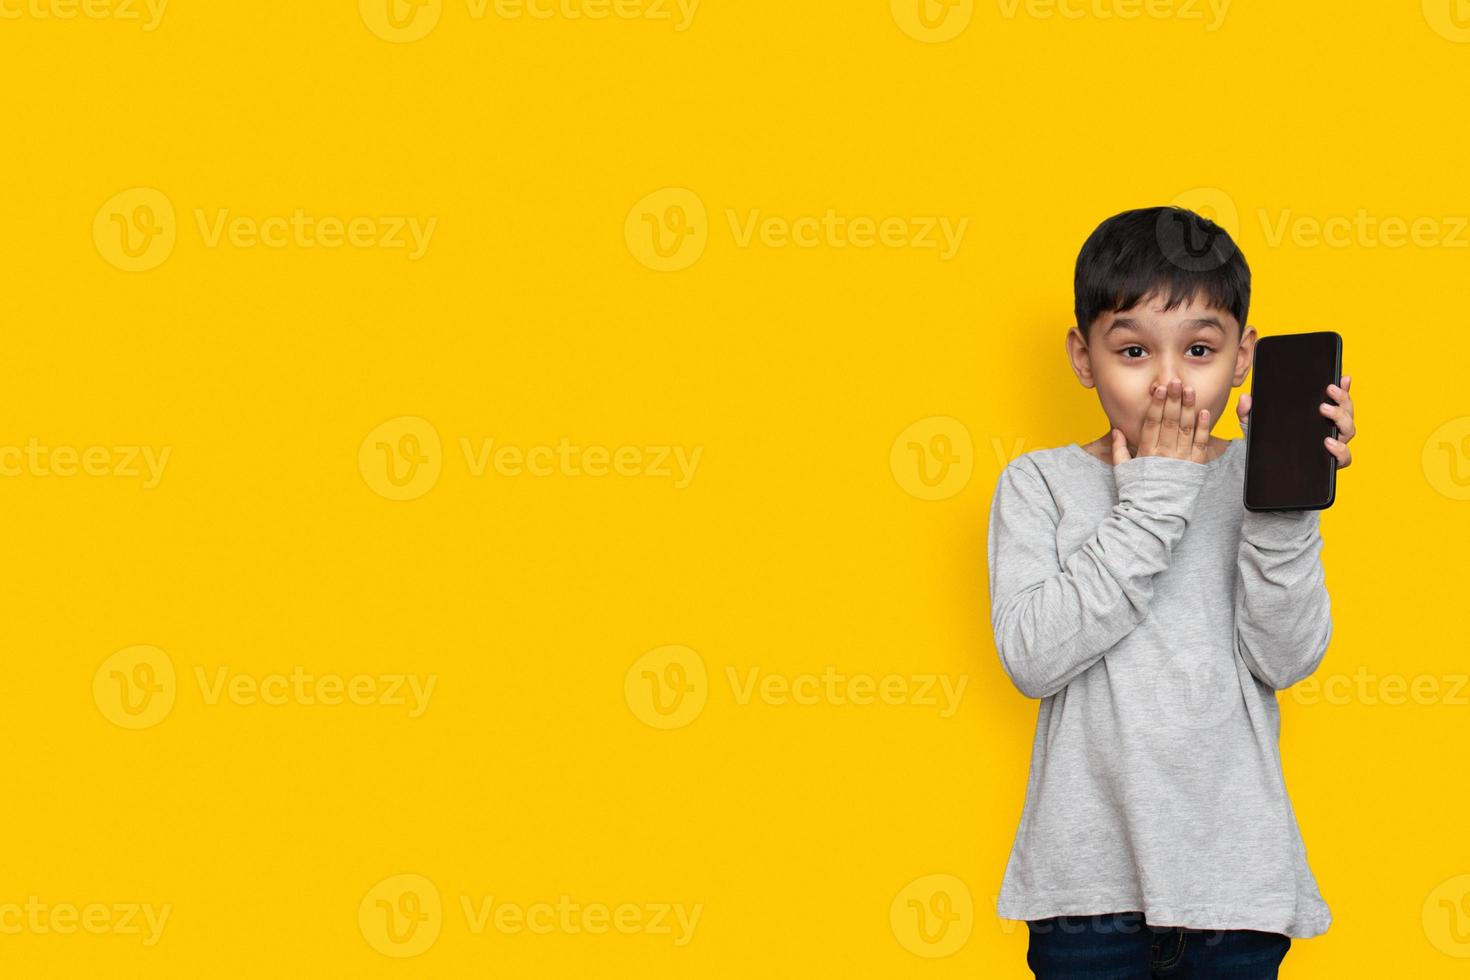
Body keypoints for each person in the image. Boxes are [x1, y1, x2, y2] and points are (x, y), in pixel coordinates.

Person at [985, 205, 1358, 978]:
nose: (1168, 381)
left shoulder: (1258, 482)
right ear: (1083, 357)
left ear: (1243, 356)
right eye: (1131, 350)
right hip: (1085, 892)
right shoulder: (1039, 485)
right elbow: (1031, 657)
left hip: (1236, 887)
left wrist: (1285, 509)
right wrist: (1154, 496)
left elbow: (1284, 657)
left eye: (1198, 349)